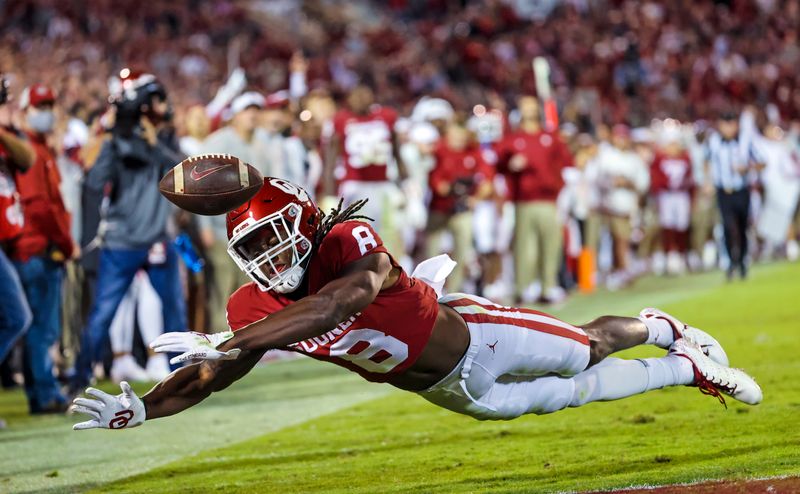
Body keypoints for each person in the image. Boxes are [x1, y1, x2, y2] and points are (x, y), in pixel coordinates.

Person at [70, 178, 761, 431]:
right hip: (443, 389)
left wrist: (231, 344)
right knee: (569, 397)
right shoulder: (251, 305)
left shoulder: (344, 240)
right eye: (258, 247)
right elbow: (213, 376)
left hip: (474, 334)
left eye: (279, 238)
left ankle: (664, 328)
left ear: (306, 225)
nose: (271, 259)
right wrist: (145, 408)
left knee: (585, 346)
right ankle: (687, 370)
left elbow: (345, 302)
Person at [70, 71, 187, 390]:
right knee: (105, 312)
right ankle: (79, 377)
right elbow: (93, 183)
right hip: (122, 242)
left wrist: (152, 146)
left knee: (172, 309)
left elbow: (185, 175)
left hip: (154, 239)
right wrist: (115, 148)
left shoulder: (163, 141)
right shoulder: (118, 142)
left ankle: (185, 375)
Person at [12, 84, 76, 414]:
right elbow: (38, 207)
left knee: (33, 326)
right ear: (25, 110)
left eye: (51, 103)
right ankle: (45, 394)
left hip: (33, 247)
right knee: (41, 327)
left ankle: (43, 391)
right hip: (37, 248)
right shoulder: (29, 150)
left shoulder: (39, 148)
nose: (48, 110)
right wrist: (65, 243)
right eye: (41, 105)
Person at [497, 96, 572, 304]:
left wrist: (562, 193)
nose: (527, 109)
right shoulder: (513, 139)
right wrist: (511, 165)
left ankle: (548, 285)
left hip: (548, 199)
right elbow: (500, 164)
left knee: (551, 243)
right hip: (524, 200)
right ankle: (524, 286)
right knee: (525, 246)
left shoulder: (550, 137)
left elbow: (564, 163)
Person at [705, 111, 764, 280]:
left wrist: (748, 168)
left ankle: (743, 261)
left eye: (731, 124)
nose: (729, 129)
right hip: (723, 191)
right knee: (728, 226)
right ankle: (730, 261)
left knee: (743, 226)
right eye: (725, 124)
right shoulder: (714, 141)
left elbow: (762, 162)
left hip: (741, 190)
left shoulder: (746, 141)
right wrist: (708, 181)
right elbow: (706, 160)